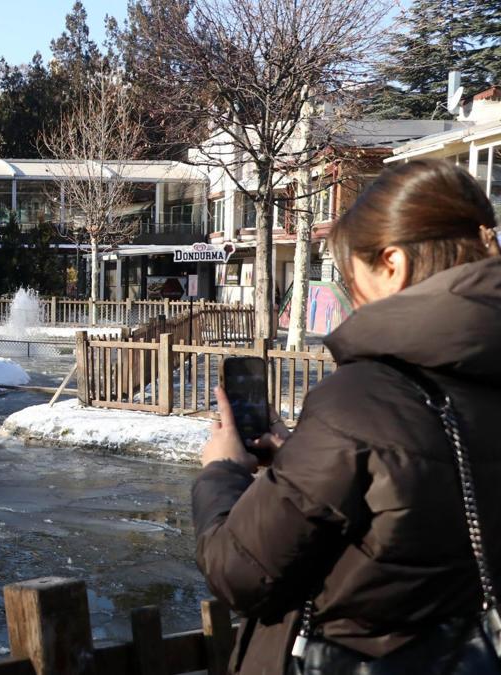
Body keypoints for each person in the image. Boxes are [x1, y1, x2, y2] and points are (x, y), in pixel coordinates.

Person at [193, 159, 501, 673]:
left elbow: (241, 573)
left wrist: (220, 472)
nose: (351, 293)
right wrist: (298, 462)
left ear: (393, 264)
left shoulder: (363, 399)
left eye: (349, 272)